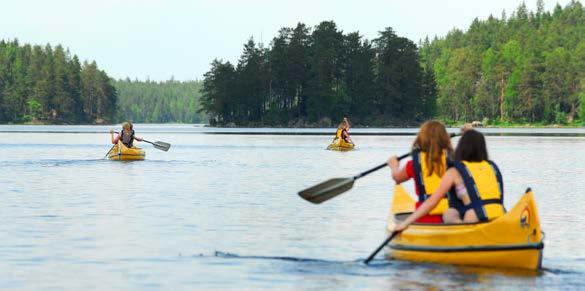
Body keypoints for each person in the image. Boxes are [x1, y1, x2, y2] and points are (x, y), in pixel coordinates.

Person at [394, 129, 505, 232]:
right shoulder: (491, 167)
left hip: (474, 219)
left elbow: (433, 201)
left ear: (462, 147)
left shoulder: (454, 172)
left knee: (449, 213)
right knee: (451, 211)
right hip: (499, 216)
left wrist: (406, 223)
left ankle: (460, 229)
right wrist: (468, 132)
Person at [387, 120, 453, 223]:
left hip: (424, 217)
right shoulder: (454, 161)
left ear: (421, 139)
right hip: (453, 215)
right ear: (445, 139)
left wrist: (394, 166)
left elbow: (397, 178)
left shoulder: (414, 164)